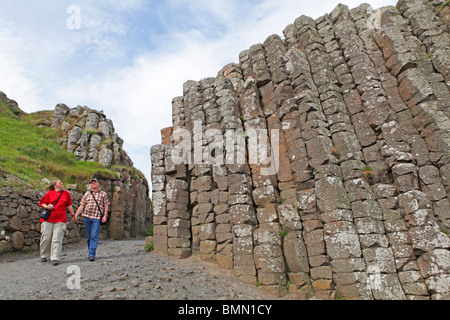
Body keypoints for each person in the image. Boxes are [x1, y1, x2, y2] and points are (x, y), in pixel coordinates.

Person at [39, 179, 76, 266]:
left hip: (60, 219)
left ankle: (55, 258)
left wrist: (73, 215)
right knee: (46, 237)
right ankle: (44, 255)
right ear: (55, 185)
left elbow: (69, 205)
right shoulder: (49, 193)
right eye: (60, 182)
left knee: (57, 238)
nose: (62, 183)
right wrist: (47, 207)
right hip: (48, 219)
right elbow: (42, 203)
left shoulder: (66, 194)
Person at [75, 178, 110, 261]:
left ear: (98, 184)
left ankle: (91, 254)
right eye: (92, 183)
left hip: (96, 218)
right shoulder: (87, 194)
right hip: (87, 217)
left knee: (94, 235)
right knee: (88, 237)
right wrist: (76, 215)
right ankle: (90, 250)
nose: (93, 184)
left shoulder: (103, 194)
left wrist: (105, 215)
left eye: (95, 182)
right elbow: (82, 205)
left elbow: (106, 205)